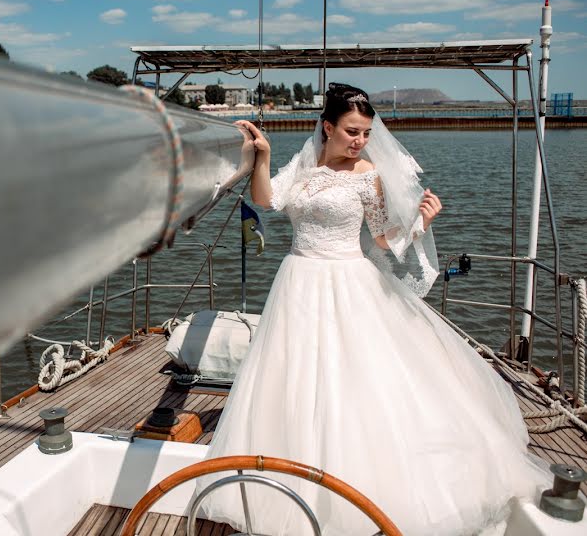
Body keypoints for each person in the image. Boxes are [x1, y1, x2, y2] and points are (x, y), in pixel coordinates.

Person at [194, 83, 550, 535]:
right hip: (299, 279)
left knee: (354, 379)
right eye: (352, 131)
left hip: (348, 281)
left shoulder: (369, 174)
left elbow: (385, 240)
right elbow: (267, 201)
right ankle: (292, 467)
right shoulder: (303, 165)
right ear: (328, 127)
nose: (360, 141)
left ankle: (353, 480)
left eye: (365, 133)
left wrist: (422, 221)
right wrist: (261, 156)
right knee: (295, 374)